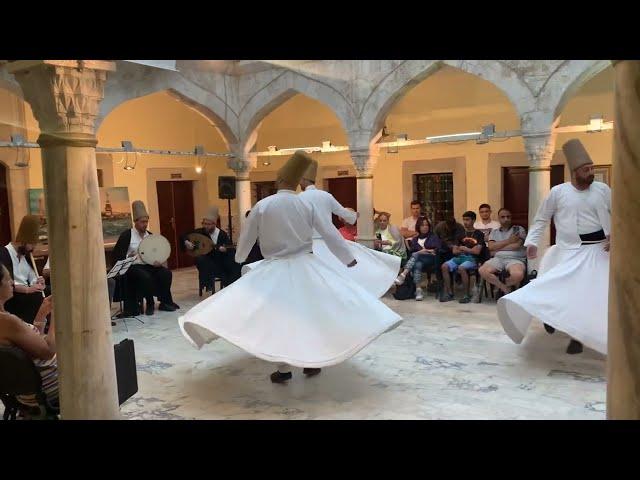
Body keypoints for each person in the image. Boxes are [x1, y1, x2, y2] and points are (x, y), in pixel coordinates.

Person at [178, 151, 402, 384]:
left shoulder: (263, 205)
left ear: (280, 180)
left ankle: (284, 368)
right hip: (307, 266)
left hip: (275, 268)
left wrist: (240, 257)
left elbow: (247, 236)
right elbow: (329, 233)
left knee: (279, 317)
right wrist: (347, 258)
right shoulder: (305, 205)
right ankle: (308, 361)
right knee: (307, 314)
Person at [497, 139, 611, 355]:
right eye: (586, 170)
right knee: (556, 290)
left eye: (592, 168)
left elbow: (619, 214)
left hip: (597, 250)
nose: (591, 173)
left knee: (589, 296)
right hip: (567, 251)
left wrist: (615, 237)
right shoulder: (558, 192)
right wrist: (531, 242)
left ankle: (579, 336)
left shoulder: (603, 189)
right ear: (574, 172)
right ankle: (552, 318)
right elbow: (541, 220)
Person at [0, 264, 58, 411]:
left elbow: (31, 348)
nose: (13, 283)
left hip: (22, 392)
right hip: (49, 389)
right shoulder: (7, 321)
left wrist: (41, 315)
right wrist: (58, 314)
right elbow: (48, 351)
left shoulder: (6, 321)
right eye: (8, 280)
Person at [112, 200, 179, 316]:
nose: (145, 224)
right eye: (142, 222)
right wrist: (128, 257)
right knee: (145, 277)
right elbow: (117, 256)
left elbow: (156, 252)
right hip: (133, 266)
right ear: (136, 222)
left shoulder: (150, 235)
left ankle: (165, 302)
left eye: (146, 222)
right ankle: (150, 304)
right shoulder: (127, 235)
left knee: (166, 273)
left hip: (149, 265)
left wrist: (158, 261)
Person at [0, 215, 46, 324]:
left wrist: (39, 282)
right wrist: (28, 290)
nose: (33, 248)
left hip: (28, 292)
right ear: (23, 240)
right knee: (35, 297)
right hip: (13, 296)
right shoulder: (4, 253)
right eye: (32, 244)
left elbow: (33, 279)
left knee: (50, 291)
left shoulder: (26, 255)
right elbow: (6, 283)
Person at [181, 206, 237, 292]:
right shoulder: (201, 231)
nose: (206, 226)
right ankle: (207, 284)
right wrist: (186, 241)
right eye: (204, 224)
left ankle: (230, 286)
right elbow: (184, 235)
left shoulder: (222, 234)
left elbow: (230, 249)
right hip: (206, 260)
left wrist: (225, 250)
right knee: (200, 259)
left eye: (208, 224)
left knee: (233, 263)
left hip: (219, 261)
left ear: (214, 224)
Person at [439, 211, 486, 304]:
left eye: (467, 220)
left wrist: (464, 248)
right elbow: (454, 251)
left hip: (472, 259)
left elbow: (477, 251)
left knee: (462, 268)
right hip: (459, 257)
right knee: (444, 266)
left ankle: (466, 295)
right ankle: (449, 293)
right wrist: (469, 249)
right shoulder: (460, 234)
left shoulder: (479, 234)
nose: (465, 222)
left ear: (473, 220)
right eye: (464, 220)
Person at [479, 208, 527, 296]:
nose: (506, 219)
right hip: (498, 259)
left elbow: (516, 246)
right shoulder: (494, 232)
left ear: (511, 218)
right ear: (499, 218)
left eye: (508, 217)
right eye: (503, 217)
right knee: (483, 270)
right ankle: (505, 288)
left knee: (518, 275)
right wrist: (509, 241)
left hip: (515, 259)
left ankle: (502, 286)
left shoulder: (518, 229)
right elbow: (491, 247)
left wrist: (497, 248)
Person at [394, 217, 442, 301]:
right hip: (419, 260)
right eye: (422, 225)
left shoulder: (433, 236)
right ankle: (418, 290)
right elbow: (412, 249)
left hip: (431, 259)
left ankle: (403, 274)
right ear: (418, 227)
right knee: (417, 264)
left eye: (427, 225)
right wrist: (421, 252)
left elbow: (436, 250)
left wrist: (424, 251)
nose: (425, 227)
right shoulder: (415, 239)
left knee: (416, 254)